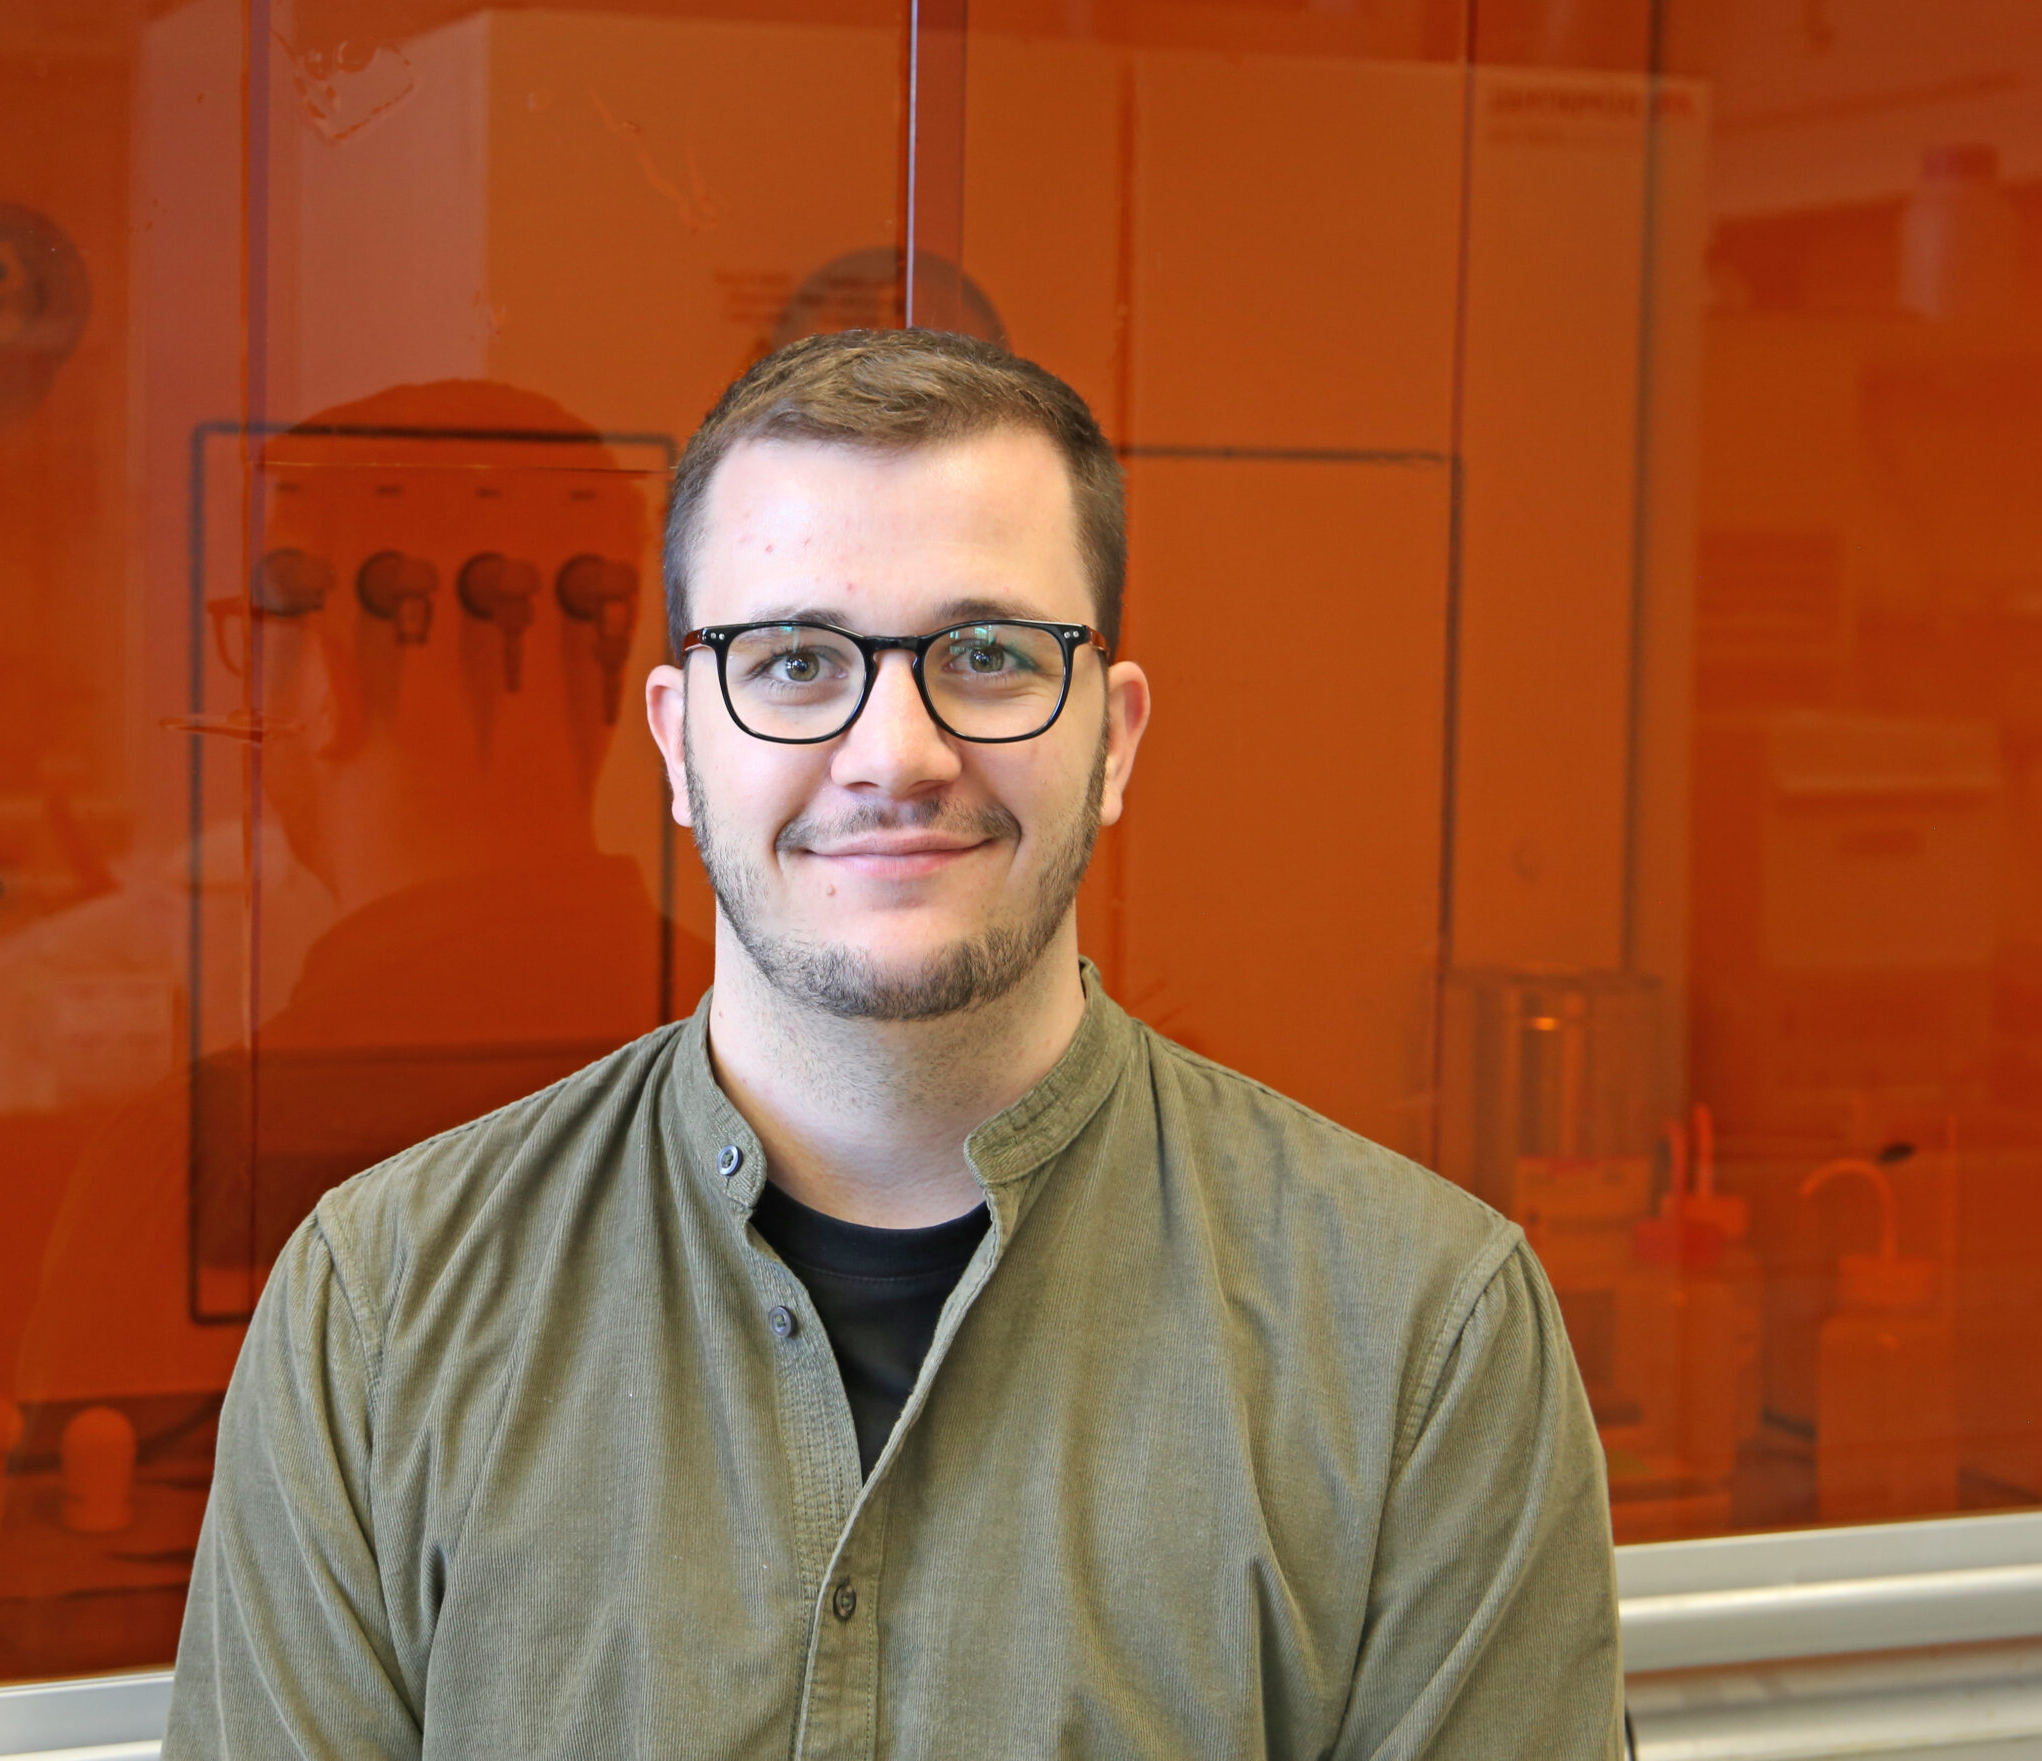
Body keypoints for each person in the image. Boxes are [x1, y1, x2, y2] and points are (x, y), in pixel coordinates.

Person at [164, 329, 1623, 1759]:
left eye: (987, 655)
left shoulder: (1425, 1339)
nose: (896, 753)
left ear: (1114, 738)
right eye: (797, 660)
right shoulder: (380, 1312)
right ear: (677, 744)